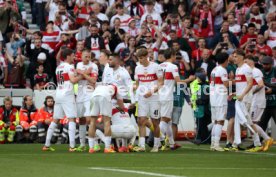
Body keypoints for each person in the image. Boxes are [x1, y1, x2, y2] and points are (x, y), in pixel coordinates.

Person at [42, 48, 83, 152]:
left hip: (59, 93)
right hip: (67, 94)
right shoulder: (70, 67)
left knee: (55, 119)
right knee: (72, 119)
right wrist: (82, 75)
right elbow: (73, 81)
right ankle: (72, 146)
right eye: (73, 55)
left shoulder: (59, 67)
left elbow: (57, 58)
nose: (74, 57)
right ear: (68, 56)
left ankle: (46, 145)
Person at [159, 48, 191, 150]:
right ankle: (159, 140)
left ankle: (172, 143)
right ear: (172, 55)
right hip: (167, 96)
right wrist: (189, 80)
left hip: (159, 95)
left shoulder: (159, 66)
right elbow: (179, 83)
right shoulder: (173, 67)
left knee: (167, 120)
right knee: (165, 120)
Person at [232, 49, 262, 152]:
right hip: (240, 99)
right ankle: (237, 143)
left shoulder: (246, 69)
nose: (234, 58)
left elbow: (250, 84)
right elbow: (242, 85)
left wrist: (242, 95)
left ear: (241, 57)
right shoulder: (238, 69)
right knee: (241, 121)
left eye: (235, 56)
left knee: (247, 121)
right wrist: (235, 94)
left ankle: (257, 143)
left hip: (245, 99)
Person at [134, 48, 163, 152]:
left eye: (141, 58)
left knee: (155, 122)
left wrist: (152, 91)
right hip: (142, 98)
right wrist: (135, 90)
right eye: (138, 58)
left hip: (154, 98)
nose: (140, 60)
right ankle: (141, 146)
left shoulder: (156, 67)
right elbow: (137, 84)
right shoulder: (137, 68)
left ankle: (156, 145)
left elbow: (161, 83)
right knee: (141, 121)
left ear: (146, 57)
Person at [245, 56, 273, 152]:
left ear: (251, 61)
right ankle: (266, 140)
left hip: (257, 102)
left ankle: (260, 142)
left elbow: (260, 85)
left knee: (251, 123)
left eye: (246, 61)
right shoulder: (250, 72)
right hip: (255, 101)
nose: (245, 63)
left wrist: (250, 92)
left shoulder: (256, 71)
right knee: (251, 123)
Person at [88, 84, 125, 153]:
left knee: (92, 122)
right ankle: (107, 148)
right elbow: (122, 106)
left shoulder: (102, 86)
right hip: (105, 96)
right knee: (107, 121)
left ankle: (91, 148)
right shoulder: (117, 89)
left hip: (93, 96)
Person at [75, 49, 98, 152]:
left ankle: (95, 144)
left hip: (89, 94)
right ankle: (82, 144)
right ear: (81, 56)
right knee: (81, 120)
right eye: (86, 56)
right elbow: (75, 78)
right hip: (80, 94)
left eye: (89, 56)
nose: (88, 58)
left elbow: (93, 81)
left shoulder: (94, 66)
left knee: (89, 119)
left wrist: (82, 74)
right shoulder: (78, 65)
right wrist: (85, 73)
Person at [209, 52, 229, 151]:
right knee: (220, 121)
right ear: (226, 60)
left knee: (216, 121)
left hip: (213, 99)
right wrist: (233, 80)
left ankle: (213, 143)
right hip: (220, 99)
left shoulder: (214, 69)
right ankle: (216, 144)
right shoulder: (223, 70)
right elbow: (226, 84)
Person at [258, 56, 276, 146]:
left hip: (275, 103)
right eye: (263, 64)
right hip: (265, 103)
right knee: (261, 124)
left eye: (267, 64)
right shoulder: (260, 72)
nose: (264, 66)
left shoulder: (275, 71)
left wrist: (272, 90)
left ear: (271, 64)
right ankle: (257, 142)